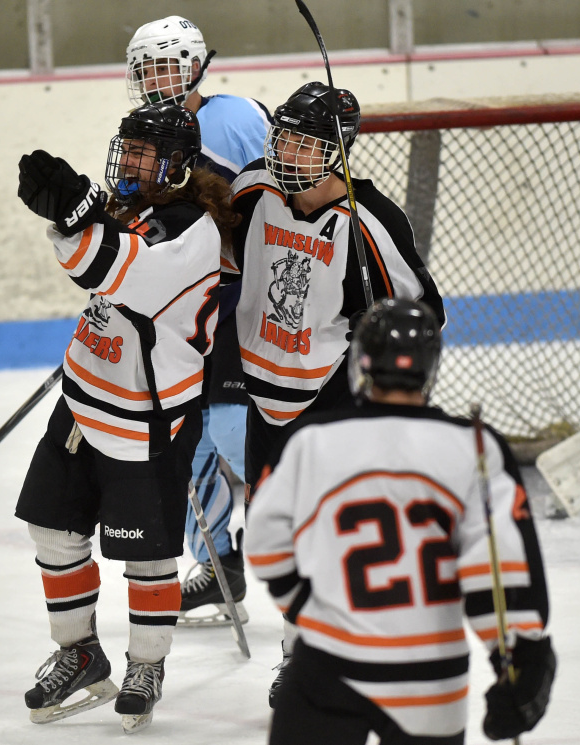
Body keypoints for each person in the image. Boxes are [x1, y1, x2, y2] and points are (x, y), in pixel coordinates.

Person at [14, 102, 239, 732]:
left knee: (148, 553)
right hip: (84, 399)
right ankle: (79, 652)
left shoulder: (191, 228)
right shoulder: (131, 207)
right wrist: (75, 212)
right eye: (128, 149)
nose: (131, 161)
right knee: (53, 531)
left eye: (145, 152)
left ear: (179, 162)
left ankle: (147, 664)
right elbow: (89, 253)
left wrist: (77, 215)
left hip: (149, 416)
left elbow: (113, 265)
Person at [246, 298, 556, 744]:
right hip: (430, 679)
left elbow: (264, 542)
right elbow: (499, 570)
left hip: (330, 665)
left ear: (362, 364)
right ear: (431, 368)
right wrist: (520, 657)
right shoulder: (474, 448)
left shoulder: (309, 441)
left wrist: (305, 610)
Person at [231, 81, 445, 705]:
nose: (287, 151)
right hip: (263, 393)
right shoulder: (256, 189)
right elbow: (194, 225)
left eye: (304, 141)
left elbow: (422, 312)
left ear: (338, 151)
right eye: (283, 136)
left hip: (330, 396)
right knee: (274, 531)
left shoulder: (370, 220)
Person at [126, 15, 272, 624]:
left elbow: (281, 195)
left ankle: (313, 553)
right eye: (145, 68)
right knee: (190, 444)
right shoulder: (139, 132)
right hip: (181, 312)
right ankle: (218, 565)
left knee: (238, 436)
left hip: (240, 299)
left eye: (167, 64)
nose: (157, 78)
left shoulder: (237, 117)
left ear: (196, 65)